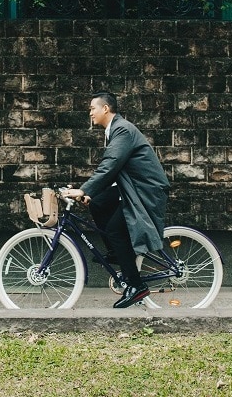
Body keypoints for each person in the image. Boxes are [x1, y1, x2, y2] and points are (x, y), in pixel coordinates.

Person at [62, 92, 170, 308]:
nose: (90, 112)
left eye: (93, 108)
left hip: (145, 190)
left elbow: (110, 165)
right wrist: (90, 194)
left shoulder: (122, 130)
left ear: (106, 108)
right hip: (133, 187)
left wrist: (83, 190)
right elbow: (116, 170)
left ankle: (136, 285)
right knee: (98, 202)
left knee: (114, 229)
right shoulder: (114, 130)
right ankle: (118, 253)